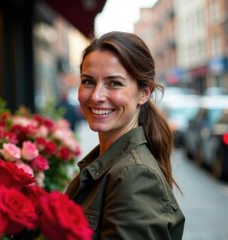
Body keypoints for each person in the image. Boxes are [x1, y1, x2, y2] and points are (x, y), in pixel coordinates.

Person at [65, 31, 185, 239]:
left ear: (144, 93)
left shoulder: (134, 175)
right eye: (88, 81)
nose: (96, 96)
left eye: (114, 83)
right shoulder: (109, 163)